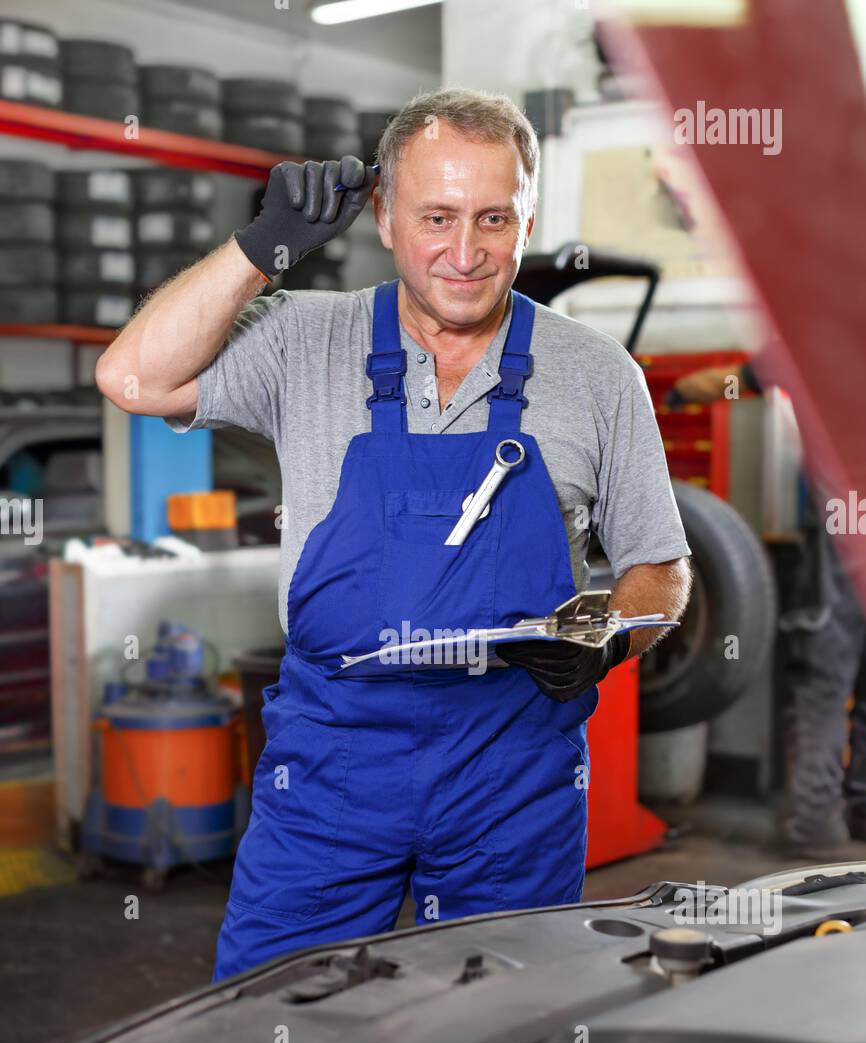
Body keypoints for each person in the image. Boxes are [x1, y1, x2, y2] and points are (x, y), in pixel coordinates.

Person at [97, 88, 691, 980]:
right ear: (381, 215)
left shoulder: (599, 375)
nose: (465, 252)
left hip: (513, 767)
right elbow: (133, 377)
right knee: (273, 1017)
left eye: (494, 218)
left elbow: (662, 568)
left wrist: (610, 634)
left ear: (529, 216)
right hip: (332, 766)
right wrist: (261, 252)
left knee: (504, 1025)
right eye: (437, 217)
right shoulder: (305, 339)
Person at [671, 355, 866, 857]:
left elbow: (722, 383)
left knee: (823, 679)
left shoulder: (811, 336)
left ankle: (812, 828)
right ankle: (861, 814)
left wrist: (675, 395)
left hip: (846, 525)